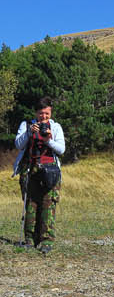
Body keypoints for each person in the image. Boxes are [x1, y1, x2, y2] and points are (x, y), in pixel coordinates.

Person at [13, 98, 66, 253]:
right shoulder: (26, 125)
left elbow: (61, 149)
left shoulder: (56, 127)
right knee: (30, 204)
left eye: (47, 114)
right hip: (30, 169)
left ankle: (46, 241)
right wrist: (29, 133)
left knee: (48, 205)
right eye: (41, 113)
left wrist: (48, 140)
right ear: (36, 113)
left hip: (50, 171)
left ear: (51, 113)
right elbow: (18, 144)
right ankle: (30, 239)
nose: (43, 117)